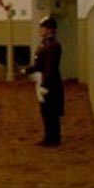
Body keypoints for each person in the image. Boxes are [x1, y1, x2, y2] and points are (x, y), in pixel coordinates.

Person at [25, 16, 63, 147]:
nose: (40, 30)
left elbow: (50, 68)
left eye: (42, 27)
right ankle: (49, 136)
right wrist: (27, 70)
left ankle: (53, 138)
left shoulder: (53, 45)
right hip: (42, 79)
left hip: (49, 82)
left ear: (49, 30)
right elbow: (39, 63)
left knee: (50, 111)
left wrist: (45, 85)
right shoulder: (45, 44)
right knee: (45, 111)